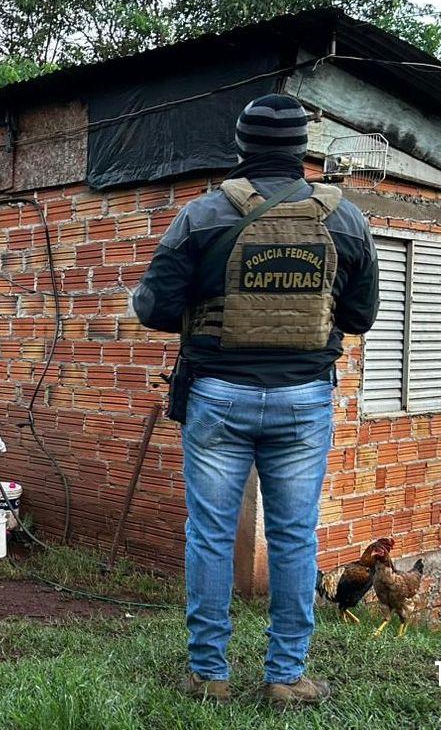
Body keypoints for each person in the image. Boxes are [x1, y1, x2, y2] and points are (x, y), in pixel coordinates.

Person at [133, 94, 379, 706]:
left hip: (218, 395)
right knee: (295, 537)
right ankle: (286, 676)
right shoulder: (345, 221)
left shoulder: (202, 214)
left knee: (212, 534)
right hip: (304, 400)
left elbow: (153, 307)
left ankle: (209, 674)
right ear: (303, 150)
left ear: (241, 147)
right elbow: (361, 315)